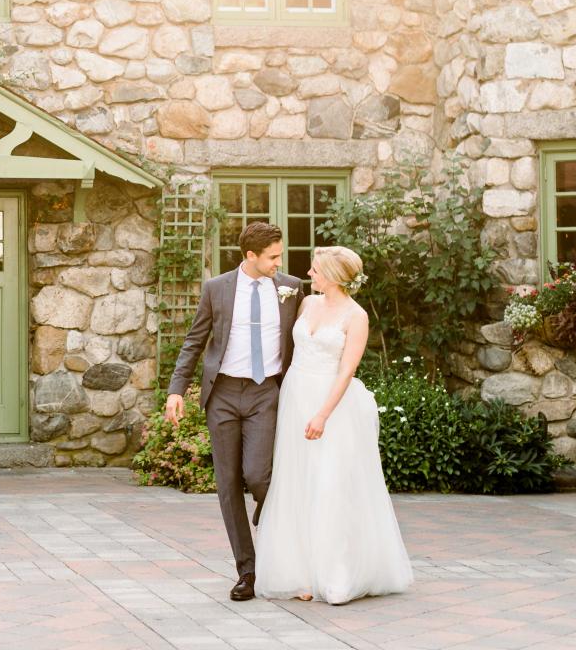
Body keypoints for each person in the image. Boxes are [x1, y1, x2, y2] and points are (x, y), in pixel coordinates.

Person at [254, 245, 413, 605]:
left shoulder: (356, 316)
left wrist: (323, 414)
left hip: (332, 404)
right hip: (296, 395)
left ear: (335, 276)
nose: (309, 275)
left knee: (331, 485)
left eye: (315, 270)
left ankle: (337, 573)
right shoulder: (307, 304)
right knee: (297, 482)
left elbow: (347, 369)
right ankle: (300, 574)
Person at [165, 222, 304, 602]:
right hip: (223, 393)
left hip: (265, 393)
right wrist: (176, 390)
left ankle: (267, 510)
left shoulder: (291, 288)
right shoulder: (217, 289)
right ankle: (248, 570)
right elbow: (194, 341)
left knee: (259, 475)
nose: (279, 262)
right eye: (273, 256)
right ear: (250, 256)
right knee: (227, 486)